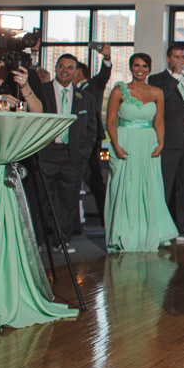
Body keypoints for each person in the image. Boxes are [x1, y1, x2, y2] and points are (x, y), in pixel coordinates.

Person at [104, 53, 177, 252]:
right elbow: (110, 121)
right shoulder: (120, 90)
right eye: (137, 65)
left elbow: (159, 121)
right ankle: (124, 234)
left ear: (149, 69)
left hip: (148, 142)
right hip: (125, 141)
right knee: (124, 187)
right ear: (130, 67)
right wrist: (116, 145)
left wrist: (161, 143)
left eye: (144, 66)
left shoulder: (156, 92)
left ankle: (148, 233)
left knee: (149, 187)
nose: (140, 69)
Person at [36, 53, 98, 248]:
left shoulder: (85, 97)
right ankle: (37, 240)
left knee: (67, 201)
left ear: (75, 71)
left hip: (72, 156)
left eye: (70, 67)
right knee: (41, 200)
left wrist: (83, 153)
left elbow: (92, 128)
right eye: (61, 66)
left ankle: (61, 241)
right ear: (55, 68)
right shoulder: (41, 91)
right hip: (46, 153)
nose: (65, 70)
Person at [148, 45, 184, 243]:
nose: (180, 60)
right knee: (165, 185)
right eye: (176, 57)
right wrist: (174, 76)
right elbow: (161, 98)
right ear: (168, 58)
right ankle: (162, 229)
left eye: (183, 57)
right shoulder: (157, 80)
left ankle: (183, 229)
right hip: (169, 140)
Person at [75, 44, 113, 230]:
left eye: (71, 69)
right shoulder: (67, 90)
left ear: (79, 71)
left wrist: (106, 58)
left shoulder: (93, 85)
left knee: (96, 183)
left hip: (90, 141)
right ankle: (73, 225)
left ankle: (107, 223)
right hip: (72, 142)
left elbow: (104, 75)